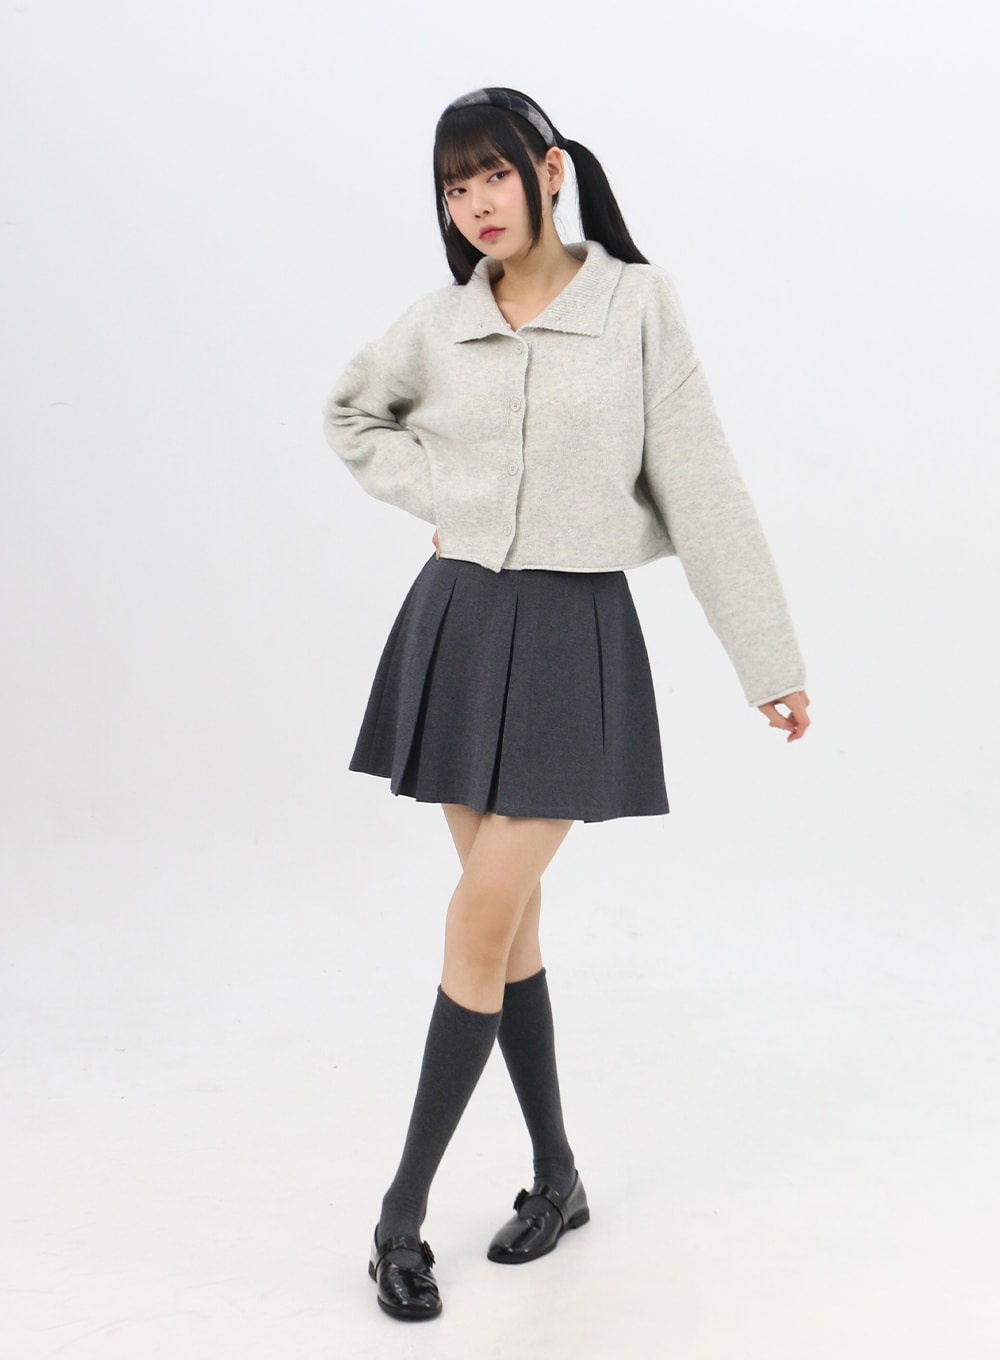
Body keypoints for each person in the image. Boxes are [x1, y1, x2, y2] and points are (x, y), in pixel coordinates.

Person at [322, 86, 810, 1322]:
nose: (475, 204)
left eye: (493, 174)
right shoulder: (440, 322)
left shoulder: (635, 303)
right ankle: (558, 1176)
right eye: (454, 186)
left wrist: (767, 658)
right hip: (456, 625)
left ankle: (397, 1218)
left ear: (549, 171)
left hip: (570, 635)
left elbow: (701, 480)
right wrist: (444, 491)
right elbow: (351, 413)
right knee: (508, 927)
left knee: (481, 913)